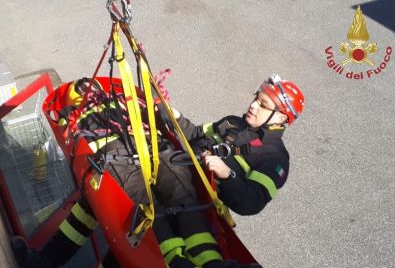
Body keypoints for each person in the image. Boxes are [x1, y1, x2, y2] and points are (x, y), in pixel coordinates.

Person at [13, 77, 253, 268]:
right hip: (124, 157)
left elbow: (158, 118)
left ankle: (206, 262)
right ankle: (188, 261)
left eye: (90, 84)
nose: (88, 86)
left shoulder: (123, 100)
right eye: (83, 88)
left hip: (148, 152)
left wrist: (159, 103)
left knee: (177, 202)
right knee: (154, 206)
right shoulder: (87, 110)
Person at [174, 74, 304, 216]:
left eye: (263, 105)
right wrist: (176, 117)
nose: (253, 105)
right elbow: (196, 134)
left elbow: (251, 203)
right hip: (179, 167)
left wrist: (227, 175)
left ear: (280, 117)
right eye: (256, 98)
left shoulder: (276, 158)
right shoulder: (232, 122)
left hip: (195, 204)